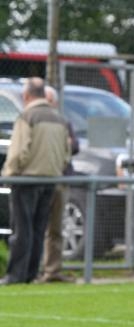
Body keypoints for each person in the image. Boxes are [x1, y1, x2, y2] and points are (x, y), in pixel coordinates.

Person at [0, 78, 70, 285]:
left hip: (26, 180)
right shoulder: (59, 119)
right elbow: (66, 154)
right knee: (39, 230)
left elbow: (19, 151)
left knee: (22, 229)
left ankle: (15, 275)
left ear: (27, 95)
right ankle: (31, 272)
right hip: (51, 180)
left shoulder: (27, 117)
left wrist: (8, 174)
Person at [37, 85, 79, 283]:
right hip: (39, 179)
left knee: (55, 228)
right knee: (35, 226)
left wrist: (67, 144)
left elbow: (74, 146)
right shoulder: (32, 119)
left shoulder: (63, 121)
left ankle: (52, 270)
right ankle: (32, 269)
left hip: (60, 180)